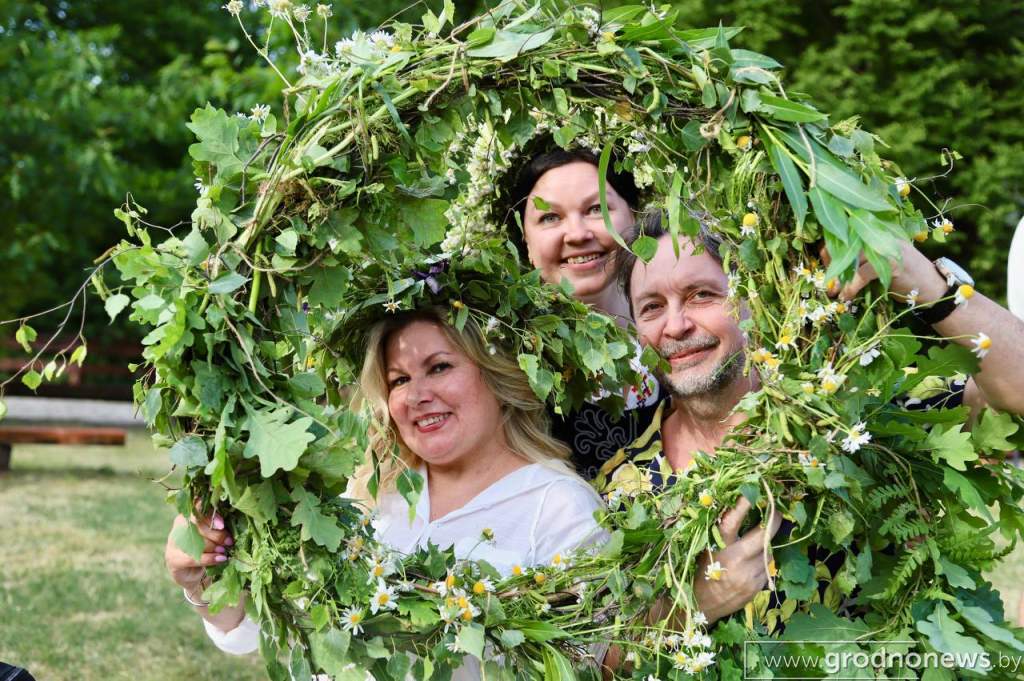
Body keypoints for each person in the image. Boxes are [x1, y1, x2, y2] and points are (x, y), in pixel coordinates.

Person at [602, 213, 1024, 627]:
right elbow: (606, 652)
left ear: (754, 300)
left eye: (701, 295)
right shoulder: (621, 486)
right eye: (652, 308)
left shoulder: (854, 415)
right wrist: (692, 607)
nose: (675, 326)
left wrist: (931, 285)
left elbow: (1016, 395)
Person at [164, 308, 608, 677]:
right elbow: (254, 630)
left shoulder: (559, 508)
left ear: (497, 376)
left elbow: (593, 663)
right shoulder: (365, 492)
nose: (417, 396)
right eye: (398, 380)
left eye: (439, 367)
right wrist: (202, 580)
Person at [503, 149, 661, 479]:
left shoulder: (689, 321)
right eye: (550, 217)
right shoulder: (506, 365)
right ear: (525, 242)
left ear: (634, 216)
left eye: (596, 209)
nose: (577, 234)